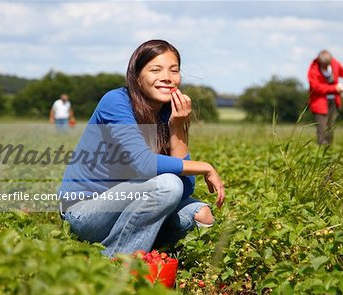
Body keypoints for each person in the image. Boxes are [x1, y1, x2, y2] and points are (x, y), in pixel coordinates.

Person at [58, 40, 225, 257]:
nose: (167, 77)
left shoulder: (169, 112)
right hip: (85, 210)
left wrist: (177, 127)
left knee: (201, 215)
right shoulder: (116, 102)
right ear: (136, 76)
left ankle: (141, 250)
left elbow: (186, 188)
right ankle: (116, 263)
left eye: (173, 70)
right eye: (156, 70)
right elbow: (144, 164)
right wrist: (204, 167)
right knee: (167, 186)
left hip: (131, 206)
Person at [307, 50, 343, 145]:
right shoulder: (313, 70)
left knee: (331, 128)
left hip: (334, 101)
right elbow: (316, 88)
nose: (325, 67)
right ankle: (321, 149)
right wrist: (334, 88)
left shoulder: (334, 63)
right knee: (322, 129)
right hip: (319, 104)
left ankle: (329, 149)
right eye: (323, 65)